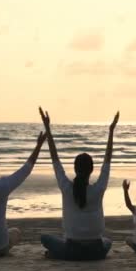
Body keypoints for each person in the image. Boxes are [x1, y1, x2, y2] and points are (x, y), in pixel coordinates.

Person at [39, 107, 119, 260]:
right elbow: (107, 161)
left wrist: (48, 128)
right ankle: (60, 253)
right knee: (107, 241)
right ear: (91, 170)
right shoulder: (99, 188)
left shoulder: (66, 187)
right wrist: (111, 131)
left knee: (44, 238)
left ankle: (57, 254)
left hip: (72, 250)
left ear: (75, 169)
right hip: (96, 251)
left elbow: (55, 159)